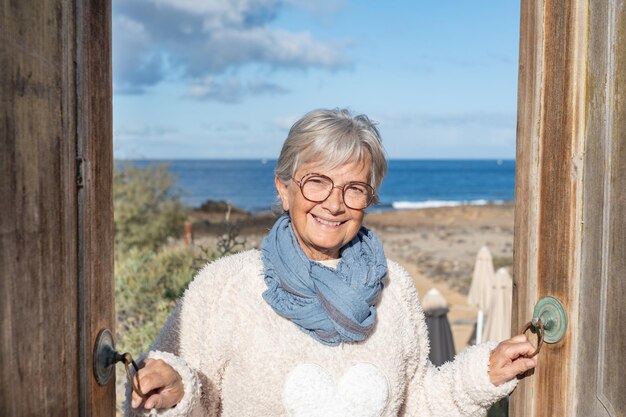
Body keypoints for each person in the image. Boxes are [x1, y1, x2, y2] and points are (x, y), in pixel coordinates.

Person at [125, 108, 538, 417]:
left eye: (354, 188)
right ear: (284, 190)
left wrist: (484, 373)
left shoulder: (394, 288)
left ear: (368, 200)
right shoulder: (224, 287)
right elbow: (190, 396)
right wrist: (175, 392)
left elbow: (420, 401)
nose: (334, 204)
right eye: (316, 182)